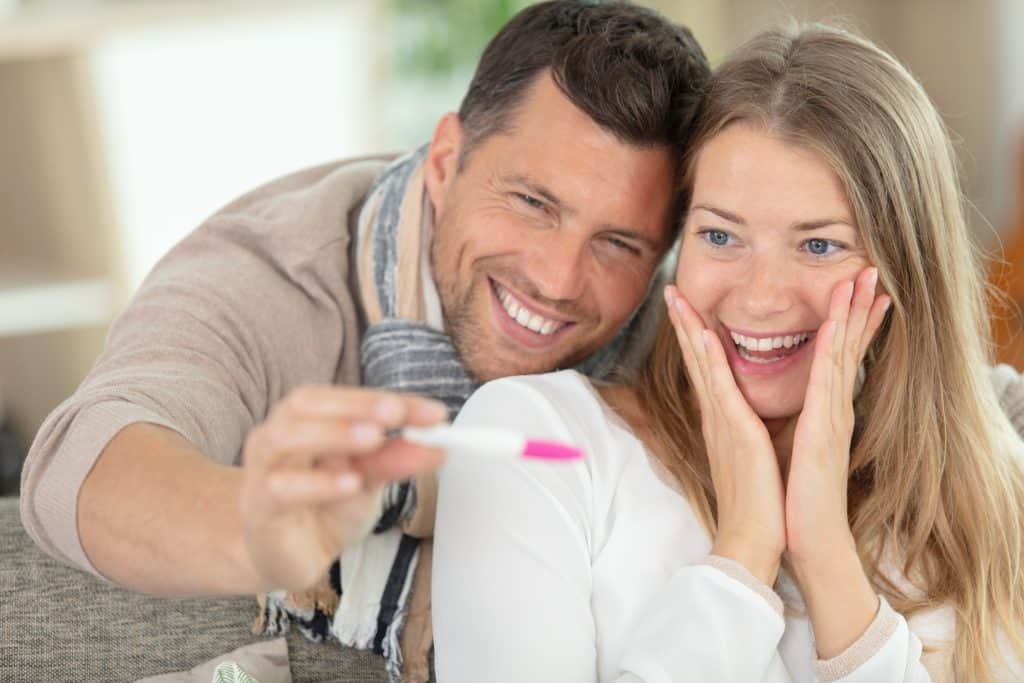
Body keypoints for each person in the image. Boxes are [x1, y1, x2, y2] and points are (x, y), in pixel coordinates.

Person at [18, 1, 710, 678]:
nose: (557, 280)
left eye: (619, 243)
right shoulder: (273, 273)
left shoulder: (678, 333)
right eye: (532, 203)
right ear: (445, 161)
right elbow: (76, 465)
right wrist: (255, 531)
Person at [433, 23, 1024, 682]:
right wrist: (743, 552)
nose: (761, 298)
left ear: (900, 271)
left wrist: (825, 550)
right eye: (719, 234)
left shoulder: (990, 492)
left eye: (819, 244)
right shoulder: (536, 442)